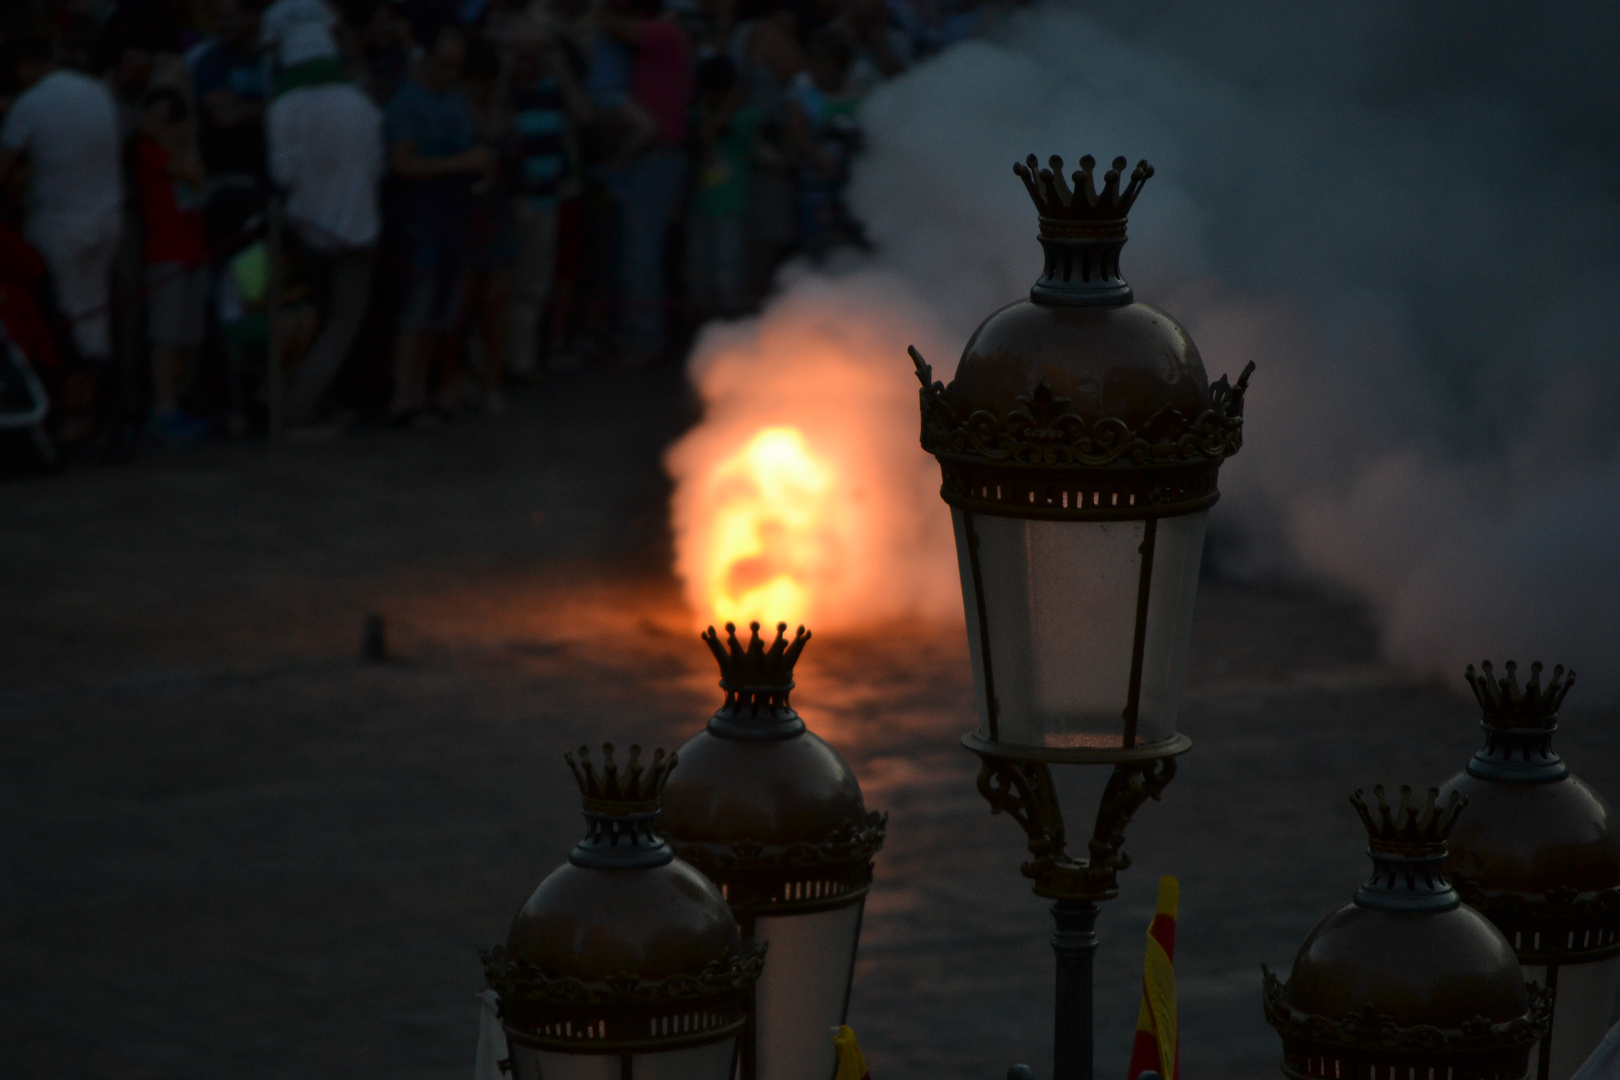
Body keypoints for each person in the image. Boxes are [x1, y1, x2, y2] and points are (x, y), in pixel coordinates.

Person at [0, 32, 124, 444]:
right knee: (95, 319)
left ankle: (75, 415)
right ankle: (92, 412)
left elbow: (4, 167)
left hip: (58, 225)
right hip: (106, 220)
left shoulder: (29, 105)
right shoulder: (96, 92)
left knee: (66, 325)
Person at [383, 24, 496, 425]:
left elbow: (479, 139)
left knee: (439, 315)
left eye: (457, 66)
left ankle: (420, 393)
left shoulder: (458, 102)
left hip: (455, 219)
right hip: (420, 222)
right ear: (426, 60)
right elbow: (402, 162)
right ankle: (402, 399)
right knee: (415, 315)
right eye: (444, 65)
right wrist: (461, 163)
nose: (451, 74)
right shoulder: (407, 103)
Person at [266, 56, 385, 428]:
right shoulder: (358, 105)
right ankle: (298, 407)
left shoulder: (290, 106)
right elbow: (377, 167)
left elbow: (283, 173)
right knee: (334, 322)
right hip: (342, 234)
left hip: (312, 231)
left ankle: (307, 403)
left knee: (322, 320)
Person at [501, 14, 592, 380]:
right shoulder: (503, 88)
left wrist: (563, 73)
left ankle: (519, 360)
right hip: (509, 202)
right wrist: (505, 74)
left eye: (536, 55)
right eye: (523, 55)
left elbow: (586, 116)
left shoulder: (555, 87)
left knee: (535, 286)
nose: (530, 64)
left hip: (546, 200)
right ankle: (493, 361)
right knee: (500, 287)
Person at [601, 0, 692, 366]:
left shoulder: (663, 31)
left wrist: (600, 13)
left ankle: (645, 339)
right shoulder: (668, 34)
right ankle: (642, 333)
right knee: (641, 250)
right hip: (654, 153)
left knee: (642, 253)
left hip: (656, 154)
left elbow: (615, 27)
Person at [131, 86, 212, 443]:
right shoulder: (145, 150)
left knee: (190, 337)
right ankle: (163, 409)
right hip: (166, 254)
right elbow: (186, 171)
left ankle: (176, 403)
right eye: (160, 120)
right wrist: (176, 138)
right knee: (166, 335)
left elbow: (200, 183)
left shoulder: (182, 149)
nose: (166, 127)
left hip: (194, 251)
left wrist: (187, 136)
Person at [685, 52, 756, 318]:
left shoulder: (745, 118)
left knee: (729, 268)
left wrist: (732, 99)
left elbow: (720, 126)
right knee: (699, 268)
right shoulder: (696, 116)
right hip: (701, 207)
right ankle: (703, 328)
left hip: (731, 207)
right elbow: (705, 132)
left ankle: (731, 327)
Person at [191, 0, 273, 182]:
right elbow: (227, 115)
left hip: (276, 165)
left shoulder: (275, 57)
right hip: (233, 174)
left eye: (228, 18)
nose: (220, 26)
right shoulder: (209, 62)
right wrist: (276, 106)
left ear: (252, 17)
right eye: (216, 18)